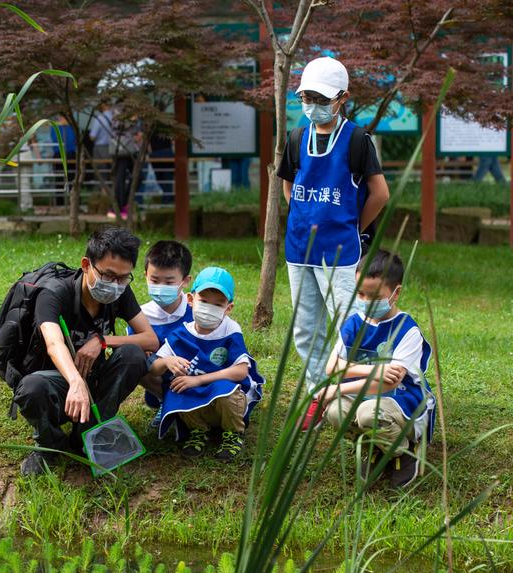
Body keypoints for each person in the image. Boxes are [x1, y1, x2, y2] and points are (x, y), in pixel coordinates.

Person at [277, 56, 390, 428]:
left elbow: (380, 193)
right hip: (299, 250)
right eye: (307, 96)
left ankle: (353, 392)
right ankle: (317, 394)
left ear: (342, 97)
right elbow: (288, 184)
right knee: (306, 328)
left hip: (340, 252)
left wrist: (352, 225)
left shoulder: (357, 140)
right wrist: (306, 217)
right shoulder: (296, 137)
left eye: (321, 98)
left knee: (348, 325)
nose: (313, 105)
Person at [13, 227, 158, 476]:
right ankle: (49, 446)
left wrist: (102, 341)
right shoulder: (54, 293)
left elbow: (150, 340)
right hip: (57, 383)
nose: (115, 285)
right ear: (86, 265)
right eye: (108, 275)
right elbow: (54, 343)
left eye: (123, 278)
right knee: (31, 388)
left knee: (134, 355)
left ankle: (88, 433)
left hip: (96, 375)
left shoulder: (120, 292)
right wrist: (75, 381)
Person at [318, 250, 436, 489]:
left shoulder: (407, 331)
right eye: (360, 293)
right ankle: (377, 447)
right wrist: (373, 371)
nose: (364, 301)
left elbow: (389, 383)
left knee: (368, 414)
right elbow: (332, 366)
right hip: (368, 395)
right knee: (335, 411)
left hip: (401, 403)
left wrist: (338, 388)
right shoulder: (353, 323)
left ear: (396, 293)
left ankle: (404, 450)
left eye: (373, 295)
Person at [149, 266, 264, 461]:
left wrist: (199, 380)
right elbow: (153, 369)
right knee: (176, 387)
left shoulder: (230, 329)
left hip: (224, 398)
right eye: (204, 301)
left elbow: (241, 371)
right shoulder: (180, 334)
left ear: (228, 308)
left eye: (218, 304)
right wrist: (168, 361)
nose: (210, 308)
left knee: (224, 388)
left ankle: (233, 433)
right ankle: (197, 431)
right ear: (191, 300)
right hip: (196, 402)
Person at [139, 240, 193, 426]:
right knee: (135, 358)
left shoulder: (196, 311)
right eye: (154, 280)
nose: (161, 286)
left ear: (185, 281)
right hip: (160, 379)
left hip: (193, 375)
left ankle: (192, 406)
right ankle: (166, 402)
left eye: (169, 282)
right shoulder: (140, 316)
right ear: (145, 275)